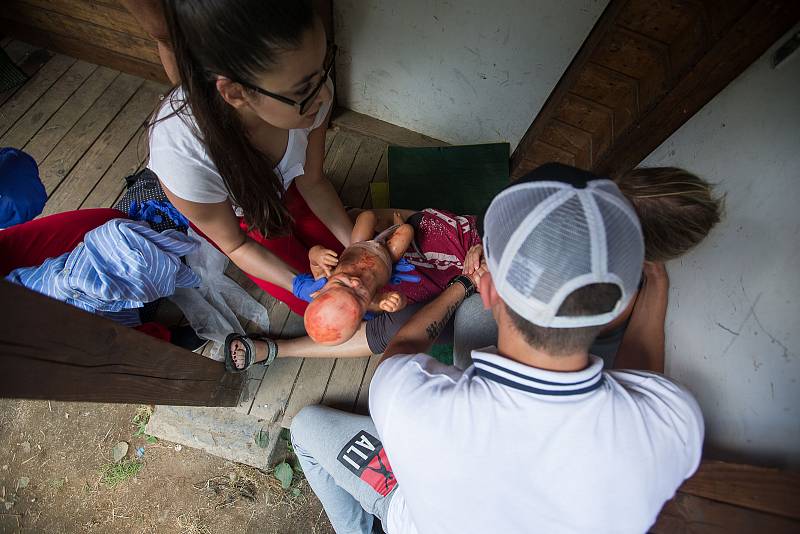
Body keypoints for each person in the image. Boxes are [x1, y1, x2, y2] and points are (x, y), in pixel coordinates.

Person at [290, 166, 704, 533]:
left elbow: (405, 345)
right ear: (617, 310)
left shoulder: (408, 402)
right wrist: (657, 282)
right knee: (471, 324)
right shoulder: (674, 420)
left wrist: (460, 285)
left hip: (411, 510)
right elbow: (642, 381)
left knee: (306, 428)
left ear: (488, 288)